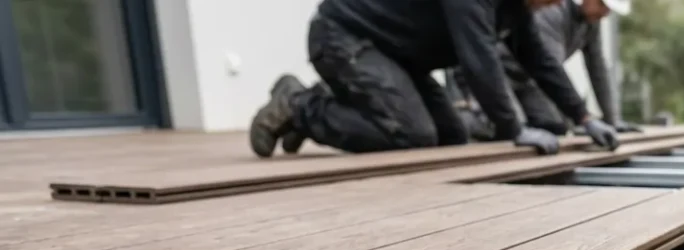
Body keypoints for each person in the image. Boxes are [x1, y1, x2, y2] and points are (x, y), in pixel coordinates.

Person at [248, 0, 620, 158]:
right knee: (413, 135)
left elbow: (539, 60)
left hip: (395, 56)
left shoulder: (516, 8)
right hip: (344, 36)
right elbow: (479, 60)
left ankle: (325, 109)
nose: (558, 4)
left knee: (451, 136)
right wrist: (514, 127)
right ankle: (299, 105)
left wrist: (584, 117)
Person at [451, 0, 639, 138]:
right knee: (506, 126)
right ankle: (467, 117)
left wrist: (605, 120)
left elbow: (597, 70)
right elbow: (548, 65)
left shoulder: (591, 25)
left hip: (527, 82)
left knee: (554, 126)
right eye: (603, 6)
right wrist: (516, 128)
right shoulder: (552, 13)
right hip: (495, 74)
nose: (605, 13)